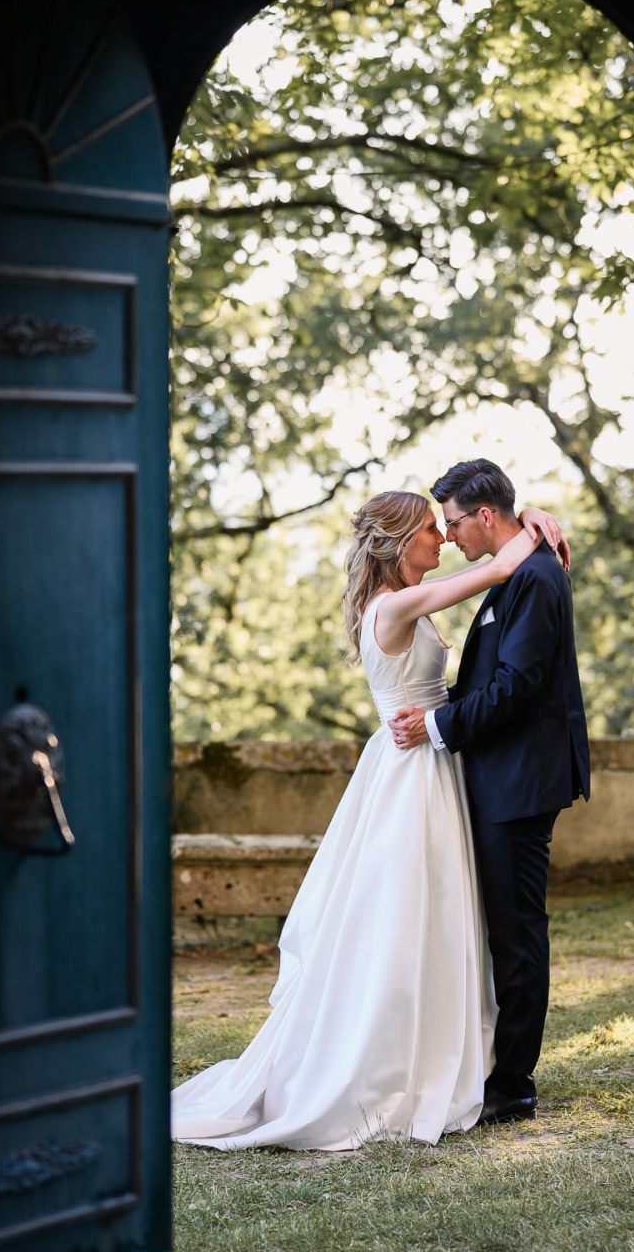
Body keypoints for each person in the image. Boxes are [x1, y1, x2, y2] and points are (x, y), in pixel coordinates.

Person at [170, 487, 564, 1150]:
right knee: (401, 919)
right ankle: (387, 1064)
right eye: (429, 531)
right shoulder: (394, 604)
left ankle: (434, 1051)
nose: (440, 538)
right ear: (396, 542)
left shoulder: (397, 603)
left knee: (431, 915)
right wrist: (539, 522)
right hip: (410, 776)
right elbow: (497, 570)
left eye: (444, 528)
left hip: (427, 764)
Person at [390, 459, 590, 1127]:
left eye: (453, 523)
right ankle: (495, 1069)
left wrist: (438, 723)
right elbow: (493, 682)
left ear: (485, 515)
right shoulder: (520, 570)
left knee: (518, 931)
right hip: (502, 775)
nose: (450, 537)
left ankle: (512, 1085)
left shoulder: (534, 575)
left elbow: (519, 684)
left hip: (521, 781)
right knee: (504, 927)